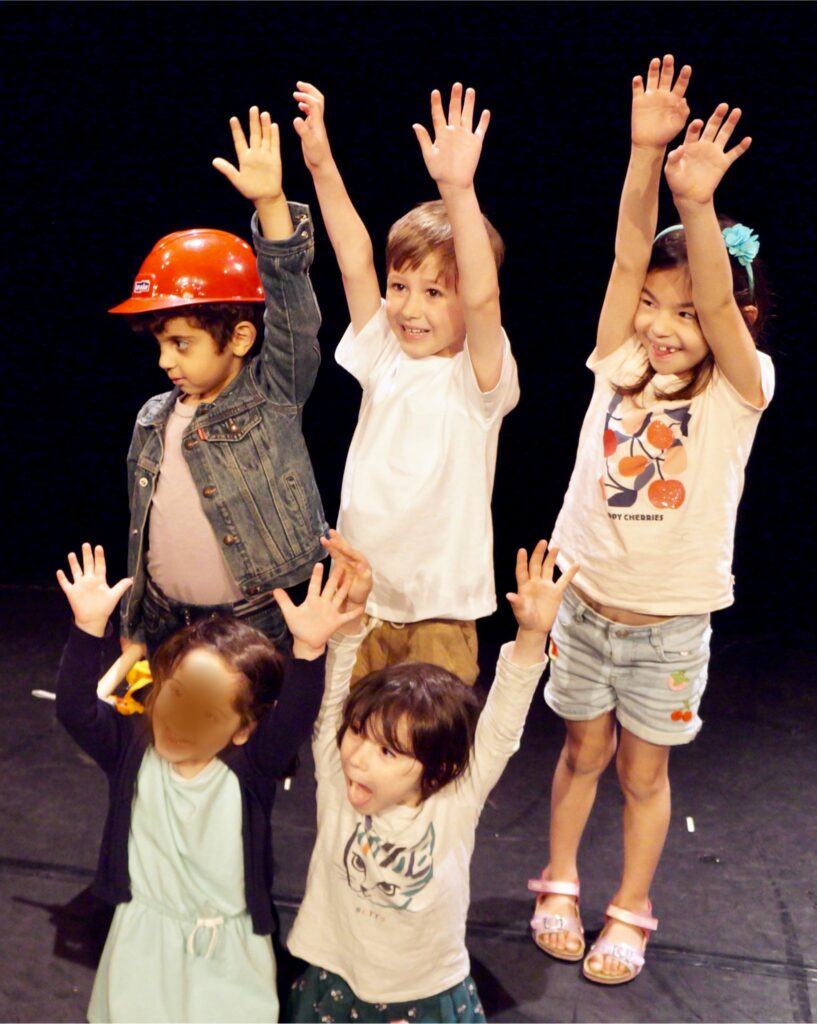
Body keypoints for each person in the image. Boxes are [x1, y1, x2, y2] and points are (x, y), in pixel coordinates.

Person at [528, 56, 774, 985]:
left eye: (685, 311)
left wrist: (700, 206)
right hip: (585, 606)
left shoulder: (741, 390)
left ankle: (629, 905)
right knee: (579, 751)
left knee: (641, 774)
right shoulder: (617, 359)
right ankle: (558, 877)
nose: (663, 322)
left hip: (669, 625)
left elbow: (710, 292)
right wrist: (643, 154)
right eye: (651, 307)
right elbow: (630, 253)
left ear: (736, 318)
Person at [55, 542, 362, 1023]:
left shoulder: (250, 766)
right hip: (143, 940)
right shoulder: (133, 751)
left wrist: (309, 651)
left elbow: (296, 716)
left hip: (228, 950)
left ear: (241, 728)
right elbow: (74, 710)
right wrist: (88, 628)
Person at [279, 531, 577, 1022]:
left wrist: (531, 636)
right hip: (335, 974)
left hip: (423, 989)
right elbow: (333, 694)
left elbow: (501, 726)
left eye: (387, 751)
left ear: (438, 768)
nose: (358, 758)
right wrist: (353, 613)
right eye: (357, 733)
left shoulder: (454, 796)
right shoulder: (336, 773)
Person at [292, 81, 519, 686]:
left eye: (434, 292)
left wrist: (458, 189)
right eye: (401, 287)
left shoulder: (479, 380)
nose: (409, 308)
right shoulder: (384, 356)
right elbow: (353, 258)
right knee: (352, 752)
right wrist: (321, 162)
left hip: (439, 614)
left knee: (427, 763)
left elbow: (482, 290)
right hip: (357, 601)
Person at [110, 106, 327, 658]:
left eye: (180, 343)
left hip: (254, 624)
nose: (164, 361)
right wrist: (136, 630)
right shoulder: (152, 419)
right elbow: (142, 535)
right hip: (166, 621)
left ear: (239, 338)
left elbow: (294, 314)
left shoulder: (271, 393)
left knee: (254, 744)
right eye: (159, 343)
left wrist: (272, 206)